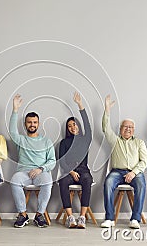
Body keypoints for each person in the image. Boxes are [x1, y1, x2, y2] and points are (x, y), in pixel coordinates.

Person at [101, 95, 147, 229]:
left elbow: (144, 161)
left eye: (131, 127)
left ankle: (135, 219)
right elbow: (105, 127)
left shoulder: (139, 142)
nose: (128, 129)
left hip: (135, 172)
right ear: (120, 128)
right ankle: (109, 218)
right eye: (125, 126)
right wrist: (107, 110)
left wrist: (133, 172)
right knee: (108, 183)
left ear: (134, 130)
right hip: (117, 171)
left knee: (141, 185)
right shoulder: (115, 140)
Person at [9, 94, 56, 228]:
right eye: (29, 122)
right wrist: (15, 110)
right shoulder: (21, 140)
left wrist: (40, 169)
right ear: (25, 124)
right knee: (14, 180)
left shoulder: (46, 141)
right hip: (23, 173)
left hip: (41, 172)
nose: (32, 124)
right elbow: (12, 131)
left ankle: (39, 214)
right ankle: (23, 215)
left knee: (48, 181)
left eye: (34, 122)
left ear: (38, 124)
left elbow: (52, 161)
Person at [58, 92, 93, 229]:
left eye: (74, 125)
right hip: (69, 171)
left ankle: (82, 217)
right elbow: (61, 162)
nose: (73, 127)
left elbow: (88, 125)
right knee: (63, 182)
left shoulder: (85, 139)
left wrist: (80, 105)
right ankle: (70, 217)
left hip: (83, 170)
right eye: (69, 126)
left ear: (78, 125)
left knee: (87, 180)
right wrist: (71, 172)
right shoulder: (64, 142)